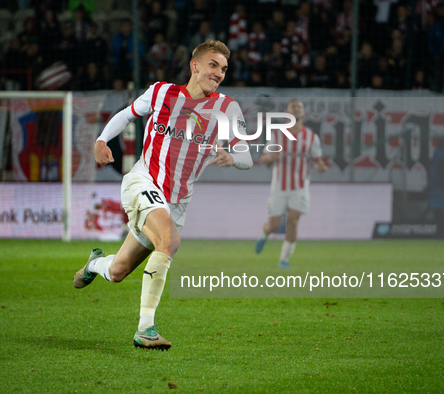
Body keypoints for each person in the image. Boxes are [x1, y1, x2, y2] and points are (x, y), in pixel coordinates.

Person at [73, 40, 253, 350]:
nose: (219, 73)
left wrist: (232, 157)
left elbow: (247, 156)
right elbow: (127, 114)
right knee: (169, 242)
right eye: (213, 65)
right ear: (194, 65)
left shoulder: (227, 107)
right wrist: (101, 139)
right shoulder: (160, 92)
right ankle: (146, 329)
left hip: (177, 202)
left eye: (223, 68)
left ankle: (94, 265)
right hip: (143, 182)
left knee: (118, 272)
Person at [254, 99, 327, 268]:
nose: (296, 109)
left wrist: (320, 166)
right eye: (293, 107)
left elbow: (317, 161)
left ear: (303, 113)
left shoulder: (311, 137)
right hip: (279, 186)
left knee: (293, 221)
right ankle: (264, 235)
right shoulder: (278, 135)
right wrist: (270, 157)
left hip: (300, 186)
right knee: (274, 225)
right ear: (287, 113)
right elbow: (263, 158)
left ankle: (284, 260)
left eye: (299, 107)